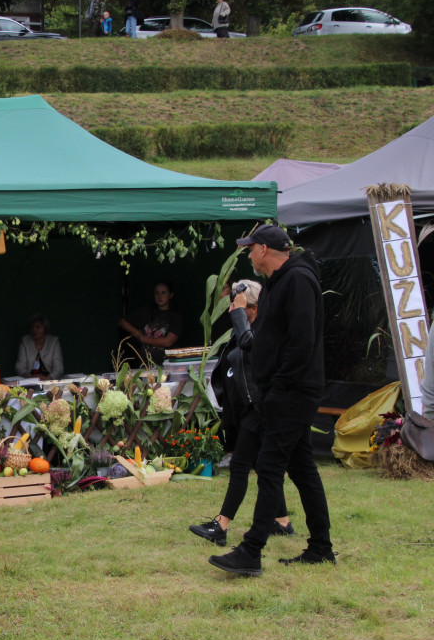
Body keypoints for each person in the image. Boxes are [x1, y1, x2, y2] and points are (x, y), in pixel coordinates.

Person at [209, 225, 335, 577]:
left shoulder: (297, 281)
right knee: (302, 469)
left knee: (269, 467)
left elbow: (301, 341)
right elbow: (266, 339)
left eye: (250, 249)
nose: (247, 255)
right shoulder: (281, 281)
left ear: (264, 249)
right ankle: (321, 547)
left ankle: (251, 551)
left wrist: (279, 384)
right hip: (283, 390)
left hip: (291, 391)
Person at [190, 279, 296, 546]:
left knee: (239, 466)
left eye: (238, 307)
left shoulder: (262, 330)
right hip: (251, 407)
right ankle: (282, 522)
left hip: (258, 407)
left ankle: (221, 525)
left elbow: (252, 352)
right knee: (262, 466)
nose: (232, 312)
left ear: (254, 307)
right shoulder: (246, 328)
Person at [118, 280, 183, 365]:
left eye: (163, 293)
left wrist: (144, 339)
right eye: (157, 293)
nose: (160, 296)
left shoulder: (176, 316)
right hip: (144, 363)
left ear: (170, 295)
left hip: (166, 365)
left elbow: (168, 341)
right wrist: (137, 333)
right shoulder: (146, 312)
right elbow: (122, 322)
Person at [15, 314, 64, 380]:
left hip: (50, 381)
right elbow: (20, 366)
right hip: (29, 381)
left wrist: (48, 378)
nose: (34, 330)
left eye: (38, 327)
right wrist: (30, 377)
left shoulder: (54, 342)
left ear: (45, 329)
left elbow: (58, 367)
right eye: (32, 327)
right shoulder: (25, 341)